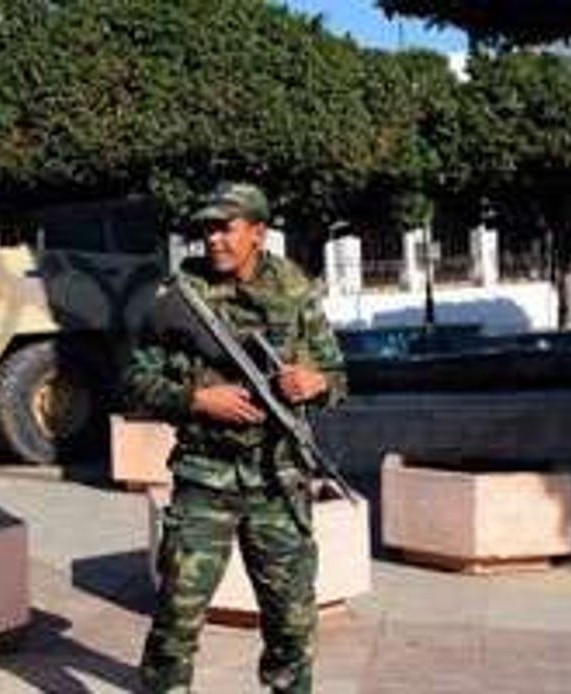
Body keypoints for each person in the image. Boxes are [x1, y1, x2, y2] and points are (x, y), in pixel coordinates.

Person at [128, 182, 346, 693]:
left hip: (279, 479)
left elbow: (338, 375)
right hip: (205, 478)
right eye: (206, 230)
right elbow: (135, 381)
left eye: (225, 228)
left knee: (292, 623)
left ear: (258, 232)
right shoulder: (177, 297)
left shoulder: (296, 291)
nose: (214, 240)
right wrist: (197, 401)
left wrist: (316, 383)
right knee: (176, 620)